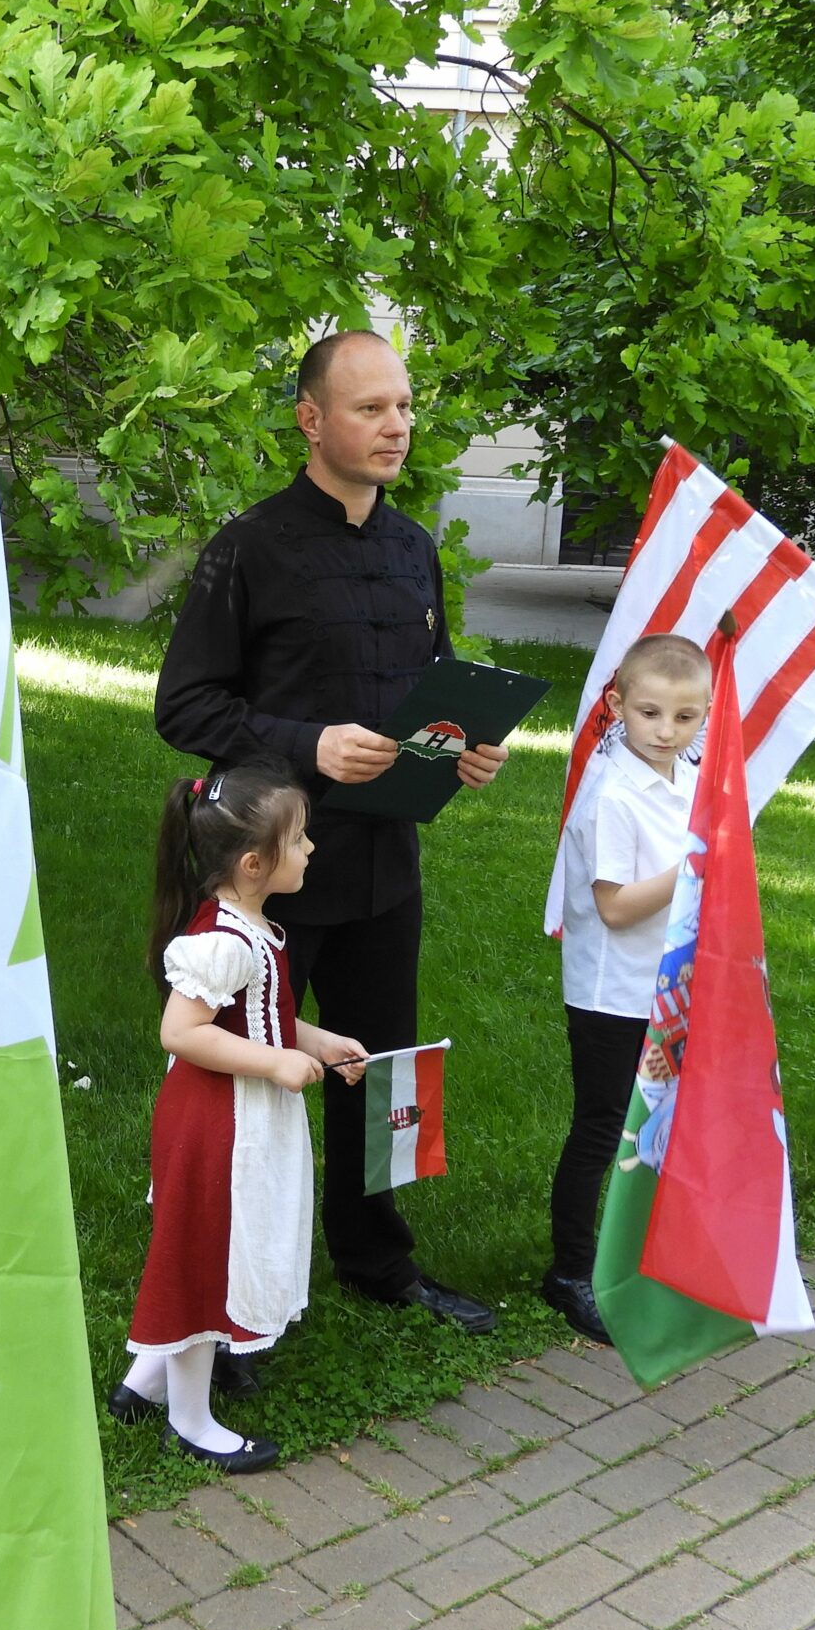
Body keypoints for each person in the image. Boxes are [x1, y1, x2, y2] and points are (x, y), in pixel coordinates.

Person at [155, 328, 506, 1335]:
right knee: (242, 1071)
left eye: (401, 406)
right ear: (310, 420)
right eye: (369, 408)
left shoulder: (413, 549)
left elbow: (417, 705)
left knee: (377, 1066)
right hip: (270, 870)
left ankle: (376, 1259)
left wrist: (463, 748)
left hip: (384, 865)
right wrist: (307, 744)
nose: (394, 426)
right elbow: (184, 708)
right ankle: (217, 1297)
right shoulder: (247, 548)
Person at [110, 765, 369, 1472]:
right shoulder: (222, 941)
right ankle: (190, 1422)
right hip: (217, 1126)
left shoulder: (250, 926)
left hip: (237, 1118)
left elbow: (261, 1016)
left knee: (201, 1245)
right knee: (202, 1260)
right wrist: (276, 1065)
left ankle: (144, 1382)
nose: (312, 849)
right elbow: (182, 1032)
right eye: (301, 839)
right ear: (255, 864)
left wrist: (316, 1041)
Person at [547, 633, 711, 1343]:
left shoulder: (691, 773)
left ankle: (647, 1249)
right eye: (649, 714)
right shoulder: (613, 792)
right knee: (602, 1126)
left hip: (669, 981)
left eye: (685, 717)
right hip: (614, 991)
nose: (666, 731)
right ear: (616, 706)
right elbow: (614, 906)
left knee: (661, 1123)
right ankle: (570, 1271)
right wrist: (700, 867)